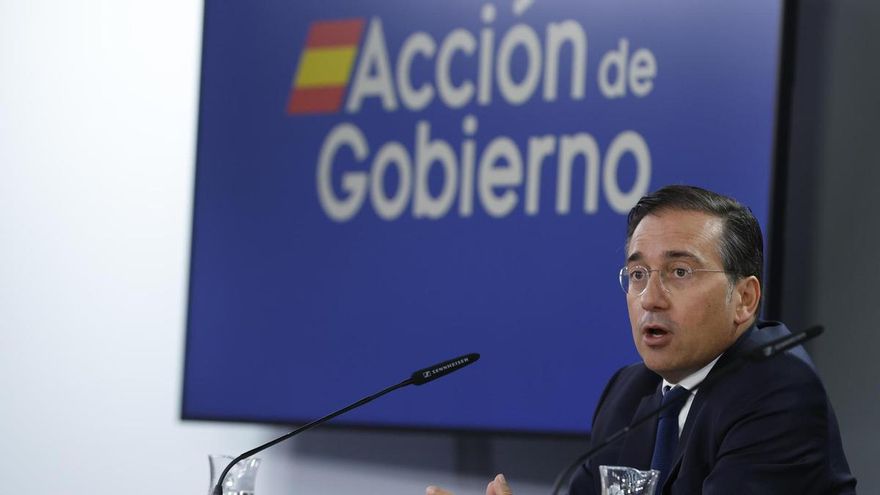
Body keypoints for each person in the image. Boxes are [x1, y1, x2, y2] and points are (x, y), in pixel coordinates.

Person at [426, 185, 856, 495]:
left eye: (680, 272)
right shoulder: (628, 394)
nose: (651, 298)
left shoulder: (777, 392)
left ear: (744, 299)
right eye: (637, 275)